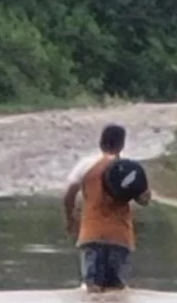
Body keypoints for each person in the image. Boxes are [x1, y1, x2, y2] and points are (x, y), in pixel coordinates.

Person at [63, 124, 151, 291]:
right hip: (120, 237)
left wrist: (70, 219)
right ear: (122, 145)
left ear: (101, 142)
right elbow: (145, 200)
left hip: (92, 235)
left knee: (92, 290)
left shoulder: (86, 165)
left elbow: (68, 195)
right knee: (117, 292)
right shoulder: (129, 168)